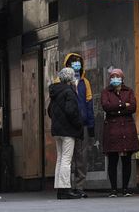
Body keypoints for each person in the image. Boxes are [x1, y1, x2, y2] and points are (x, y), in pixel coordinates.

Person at [101, 68, 139, 197]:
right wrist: (124, 106)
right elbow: (106, 107)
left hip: (127, 130)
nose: (115, 79)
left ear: (122, 78)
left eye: (117, 76)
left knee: (126, 160)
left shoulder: (128, 91)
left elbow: (133, 107)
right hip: (112, 130)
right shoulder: (106, 92)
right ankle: (113, 189)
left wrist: (116, 110)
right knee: (113, 160)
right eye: (112, 76)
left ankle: (125, 188)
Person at [48, 67, 84, 199]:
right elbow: (71, 111)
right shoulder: (69, 91)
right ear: (70, 78)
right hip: (68, 130)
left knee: (60, 158)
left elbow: (50, 111)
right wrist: (78, 124)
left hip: (57, 130)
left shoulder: (55, 91)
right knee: (66, 160)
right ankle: (65, 189)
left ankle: (59, 188)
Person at [63, 52, 95, 197]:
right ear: (68, 65)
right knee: (68, 157)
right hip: (68, 125)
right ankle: (67, 186)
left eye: (79, 63)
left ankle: (79, 186)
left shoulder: (85, 82)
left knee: (81, 157)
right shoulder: (61, 81)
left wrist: (91, 123)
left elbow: (89, 104)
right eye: (74, 63)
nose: (77, 65)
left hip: (81, 124)